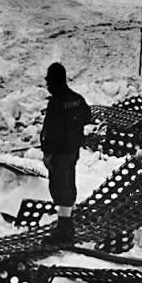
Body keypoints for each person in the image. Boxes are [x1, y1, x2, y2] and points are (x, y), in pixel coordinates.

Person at [40, 62, 90, 244]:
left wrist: (48, 153)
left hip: (59, 152)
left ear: (54, 81)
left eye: (48, 80)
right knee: (69, 182)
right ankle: (67, 222)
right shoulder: (76, 98)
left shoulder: (56, 103)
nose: (47, 84)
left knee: (60, 187)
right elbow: (87, 116)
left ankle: (64, 228)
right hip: (73, 150)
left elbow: (52, 131)